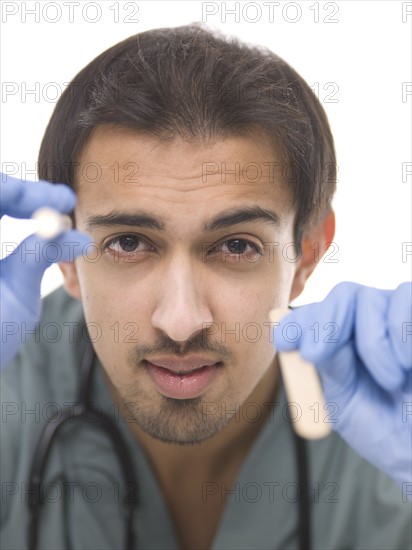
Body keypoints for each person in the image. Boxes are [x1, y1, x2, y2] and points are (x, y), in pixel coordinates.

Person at [1, 24, 411, 550]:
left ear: (306, 253)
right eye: (128, 242)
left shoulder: (384, 429)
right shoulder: (12, 394)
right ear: (68, 259)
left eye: (237, 246)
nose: (181, 320)